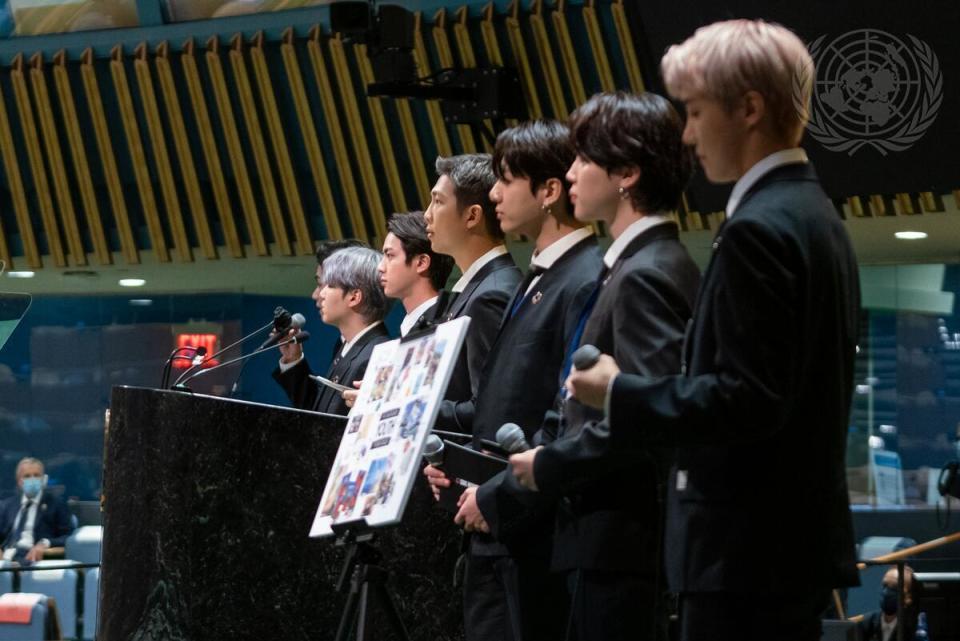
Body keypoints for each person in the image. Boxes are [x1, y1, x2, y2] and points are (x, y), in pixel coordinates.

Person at [511, 19, 861, 641]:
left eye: (696, 113)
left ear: (749, 108)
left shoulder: (761, 226)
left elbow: (748, 399)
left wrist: (618, 391)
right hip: (773, 547)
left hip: (744, 549)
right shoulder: (812, 213)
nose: (689, 136)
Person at [516, 91, 700, 641]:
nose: (570, 172)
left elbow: (647, 419)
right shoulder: (637, 265)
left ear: (626, 173)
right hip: (611, 540)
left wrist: (549, 462)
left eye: (583, 159)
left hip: (625, 543)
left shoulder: (646, 272)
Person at [429, 120, 602, 641]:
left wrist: (499, 495)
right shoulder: (539, 276)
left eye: (506, 179)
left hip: (531, 527)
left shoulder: (585, 276)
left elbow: (563, 415)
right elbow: (502, 406)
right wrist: (457, 471)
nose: (496, 193)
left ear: (549, 192)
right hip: (498, 523)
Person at [424, 153, 522, 404]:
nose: (427, 214)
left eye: (438, 201)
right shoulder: (479, 285)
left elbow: (487, 408)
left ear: (472, 216)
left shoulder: (492, 294)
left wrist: (410, 409)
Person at [273, 246, 390, 415]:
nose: (320, 294)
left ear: (354, 296)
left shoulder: (377, 356)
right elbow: (318, 413)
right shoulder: (349, 348)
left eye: (329, 285)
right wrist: (293, 359)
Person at [379, 211, 455, 338]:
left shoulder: (447, 324)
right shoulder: (407, 325)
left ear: (421, 263)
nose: (380, 267)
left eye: (390, 255)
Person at [1, 457, 75, 564]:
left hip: (34, 560)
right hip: (6, 558)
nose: (32, 479)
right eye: (27, 476)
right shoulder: (7, 505)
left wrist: (45, 543)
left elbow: (68, 537)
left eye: (36, 475)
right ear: (19, 481)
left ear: (43, 479)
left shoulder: (56, 504)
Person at [858, 566, 918, 641]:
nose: (886, 592)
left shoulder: (914, 628)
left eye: (895, 588)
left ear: (908, 597)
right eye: (885, 585)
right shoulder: (867, 623)